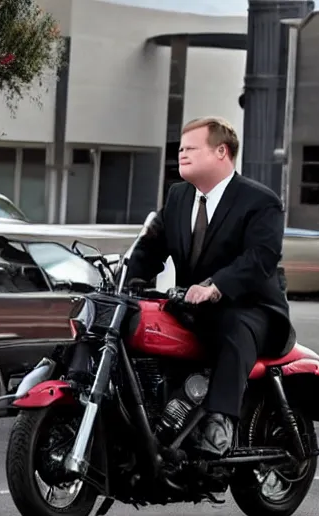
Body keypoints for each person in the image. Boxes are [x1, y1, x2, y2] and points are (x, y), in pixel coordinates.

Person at [127, 116, 294, 458]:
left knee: (231, 326)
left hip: (253, 309)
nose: (182, 154)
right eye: (180, 148)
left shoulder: (260, 201)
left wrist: (215, 286)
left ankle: (221, 422)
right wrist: (129, 281)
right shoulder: (178, 196)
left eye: (191, 148)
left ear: (221, 152)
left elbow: (260, 258)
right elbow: (150, 247)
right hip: (193, 308)